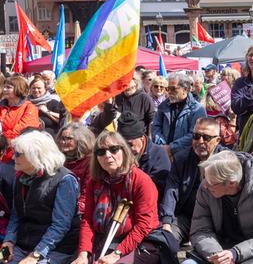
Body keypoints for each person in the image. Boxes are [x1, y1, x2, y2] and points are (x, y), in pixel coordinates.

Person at [72, 132, 166, 264]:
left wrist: (116, 254)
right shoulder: (94, 182)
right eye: (101, 152)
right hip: (104, 238)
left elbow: (144, 225)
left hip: (140, 241)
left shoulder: (141, 181)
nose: (107, 155)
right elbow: (88, 220)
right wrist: (83, 254)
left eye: (114, 149)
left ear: (124, 150)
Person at [188, 151, 253, 264]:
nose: (205, 185)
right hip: (217, 250)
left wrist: (235, 253)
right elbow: (200, 230)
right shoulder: (205, 189)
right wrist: (217, 256)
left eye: (211, 182)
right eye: (205, 179)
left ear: (232, 183)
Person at [1, 131, 80, 264]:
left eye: (18, 154)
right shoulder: (21, 176)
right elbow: (16, 215)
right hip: (25, 242)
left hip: (55, 248)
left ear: (36, 155)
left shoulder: (64, 180)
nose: (13, 158)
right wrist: (8, 242)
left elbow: (60, 226)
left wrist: (35, 255)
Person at [161, 117, 223, 244]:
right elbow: (171, 191)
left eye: (206, 138)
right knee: (163, 240)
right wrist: (166, 221)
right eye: (196, 136)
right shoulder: (181, 158)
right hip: (186, 218)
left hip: (217, 221)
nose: (200, 141)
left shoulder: (226, 161)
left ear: (217, 140)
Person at [151, 73, 207, 157]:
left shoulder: (197, 109)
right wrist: (163, 147)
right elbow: (156, 127)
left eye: (173, 89)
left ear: (185, 89)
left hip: (186, 156)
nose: (169, 92)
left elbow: (194, 134)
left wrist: (171, 148)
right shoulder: (163, 106)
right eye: (168, 89)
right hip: (163, 152)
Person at [118, 112, 171, 198]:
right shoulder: (118, 153)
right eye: (123, 146)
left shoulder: (158, 155)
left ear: (142, 138)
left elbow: (157, 190)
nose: (127, 150)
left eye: (130, 144)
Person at [0, 75, 41, 162]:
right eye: (4, 87)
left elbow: (23, 129)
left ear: (18, 88)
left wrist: (3, 139)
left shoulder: (29, 107)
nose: (4, 90)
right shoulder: (2, 106)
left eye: (8, 87)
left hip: (18, 155)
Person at [56, 123, 95, 213]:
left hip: (76, 211)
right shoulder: (59, 159)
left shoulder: (90, 162)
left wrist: (75, 212)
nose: (63, 142)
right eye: (62, 138)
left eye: (69, 139)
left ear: (81, 140)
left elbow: (87, 194)